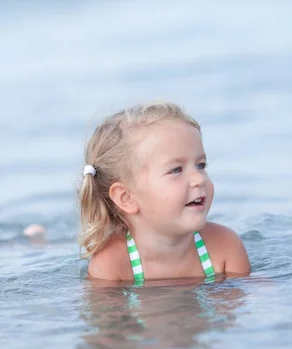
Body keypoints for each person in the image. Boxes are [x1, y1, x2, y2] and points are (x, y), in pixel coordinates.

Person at [77, 101, 251, 285]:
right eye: (176, 170)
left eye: (201, 165)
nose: (199, 179)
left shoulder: (225, 247)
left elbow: (243, 306)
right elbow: (103, 313)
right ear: (126, 197)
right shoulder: (112, 263)